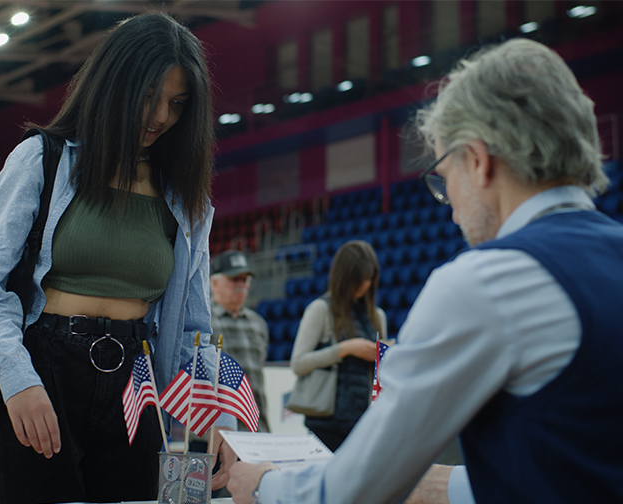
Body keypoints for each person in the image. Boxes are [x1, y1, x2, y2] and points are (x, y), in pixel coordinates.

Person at [227, 38, 623, 504]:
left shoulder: (488, 281)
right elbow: (579, 460)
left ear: (477, 161)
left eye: (443, 176)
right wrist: (453, 486)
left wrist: (265, 485)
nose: (450, 207)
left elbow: (350, 493)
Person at [0, 12, 236, 504]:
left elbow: (195, 328)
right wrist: (18, 380)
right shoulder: (40, 159)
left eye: (177, 104)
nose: (161, 117)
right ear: (113, 84)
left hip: (139, 381)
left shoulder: (185, 199)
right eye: (149, 97)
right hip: (42, 369)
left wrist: (219, 414)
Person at [289, 240, 387, 451]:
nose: (364, 286)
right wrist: (345, 349)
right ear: (344, 278)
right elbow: (298, 363)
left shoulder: (377, 316)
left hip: (365, 422)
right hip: (326, 424)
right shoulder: (320, 309)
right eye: (358, 280)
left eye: (368, 279)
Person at [209, 250, 270, 433]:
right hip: (214, 431)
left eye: (244, 280)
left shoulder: (258, 323)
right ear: (214, 283)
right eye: (234, 279)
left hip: (255, 426)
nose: (241, 285)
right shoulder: (204, 322)